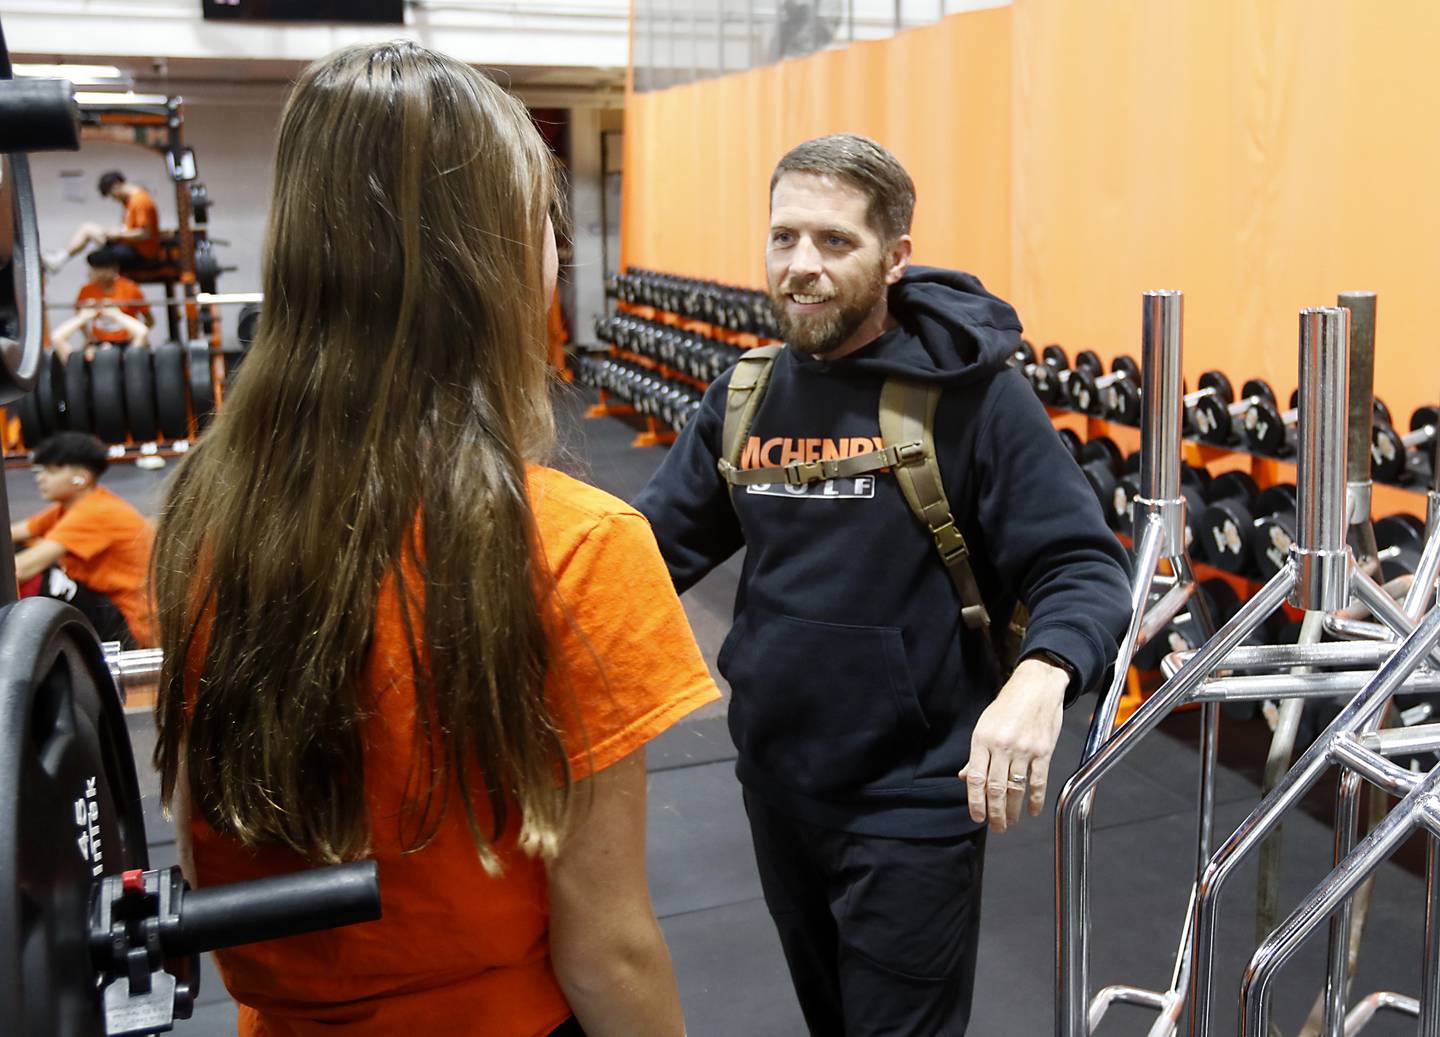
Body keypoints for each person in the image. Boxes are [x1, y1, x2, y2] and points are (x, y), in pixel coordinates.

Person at [150, 41, 717, 1037]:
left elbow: (201, 859)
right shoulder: (578, 547)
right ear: (495, 261)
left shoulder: (205, 518)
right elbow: (607, 950)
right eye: (543, 221)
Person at [633, 133, 1133, 1036]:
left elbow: (1084, 565)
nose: (801, 267)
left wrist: (1041, 675)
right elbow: (640, 555)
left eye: (833, 242)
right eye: (784, 238)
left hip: (911, 800)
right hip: (777, 782)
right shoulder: (743, 397)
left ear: (895, 258)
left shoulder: (972, 398)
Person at [10, 431, 155, 647]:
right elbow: (13, 533)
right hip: (103, 603)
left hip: (126, 623)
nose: (40, 478)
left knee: (33, 580)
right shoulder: (72, 507)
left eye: (51, 471)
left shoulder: (95, 512)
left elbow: (20, 570)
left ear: (81, 478)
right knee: (18, 549)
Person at [43, 170, 161, 274]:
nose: (114, 199)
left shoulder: (140, 200)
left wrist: (118, 234)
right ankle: (60, 258)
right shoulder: (130, 202)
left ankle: (59, 259)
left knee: (88, 230)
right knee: (88, 229)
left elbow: (145, 233)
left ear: (116, 186)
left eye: (112, 195)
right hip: (129, 246)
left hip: (140, 252)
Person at [49, 246, 153, 359]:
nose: (100, 273)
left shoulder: (130, 288)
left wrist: (130, 332)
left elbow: (149, 320)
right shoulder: (86, 291)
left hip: (126, 342)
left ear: (115, 269)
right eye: (96, 269)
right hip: (98, 343)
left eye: (104, 268)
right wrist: (88, 338)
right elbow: (79, 318)